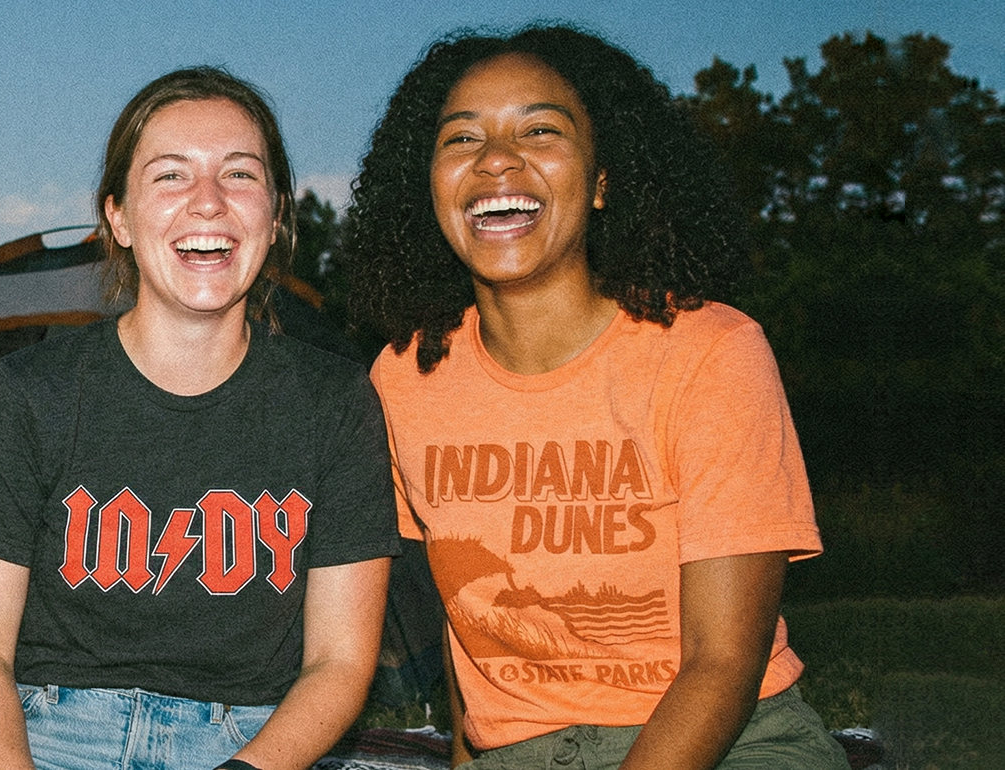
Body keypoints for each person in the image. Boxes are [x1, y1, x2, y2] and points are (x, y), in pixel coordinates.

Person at [340, 25, 849, 770]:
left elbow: (722, 663)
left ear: (605, 181)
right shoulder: (404, 375)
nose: (496, 158)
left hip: (731, 741)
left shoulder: (711, 351)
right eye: (462, 138)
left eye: (540, 130)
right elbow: (468, 613)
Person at [0, 67, 398, 770]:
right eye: (171, 176)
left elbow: (338, 662)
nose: (208, 202)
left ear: (277, 215)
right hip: (48, 733)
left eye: (239, 174)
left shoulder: (334, 402)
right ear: (119, 217)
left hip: (252, 742)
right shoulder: (31, 391)